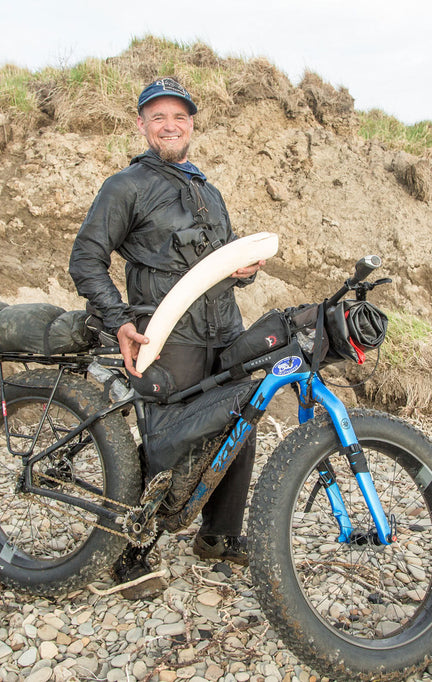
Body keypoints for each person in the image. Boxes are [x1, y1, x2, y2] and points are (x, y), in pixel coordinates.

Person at [69, 77, 262, 598]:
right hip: (165, 335)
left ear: (192, 123)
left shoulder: (209, 190)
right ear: (142, 125)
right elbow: (85, 259)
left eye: (179, 116)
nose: (170, 125)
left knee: (240, 423)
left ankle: (218, 536)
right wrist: (118, 320)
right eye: (158, 117)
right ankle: (124, 551)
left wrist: (246, 272)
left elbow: (220, 263)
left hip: (225, 331)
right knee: (167, 439)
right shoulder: (125, 186)